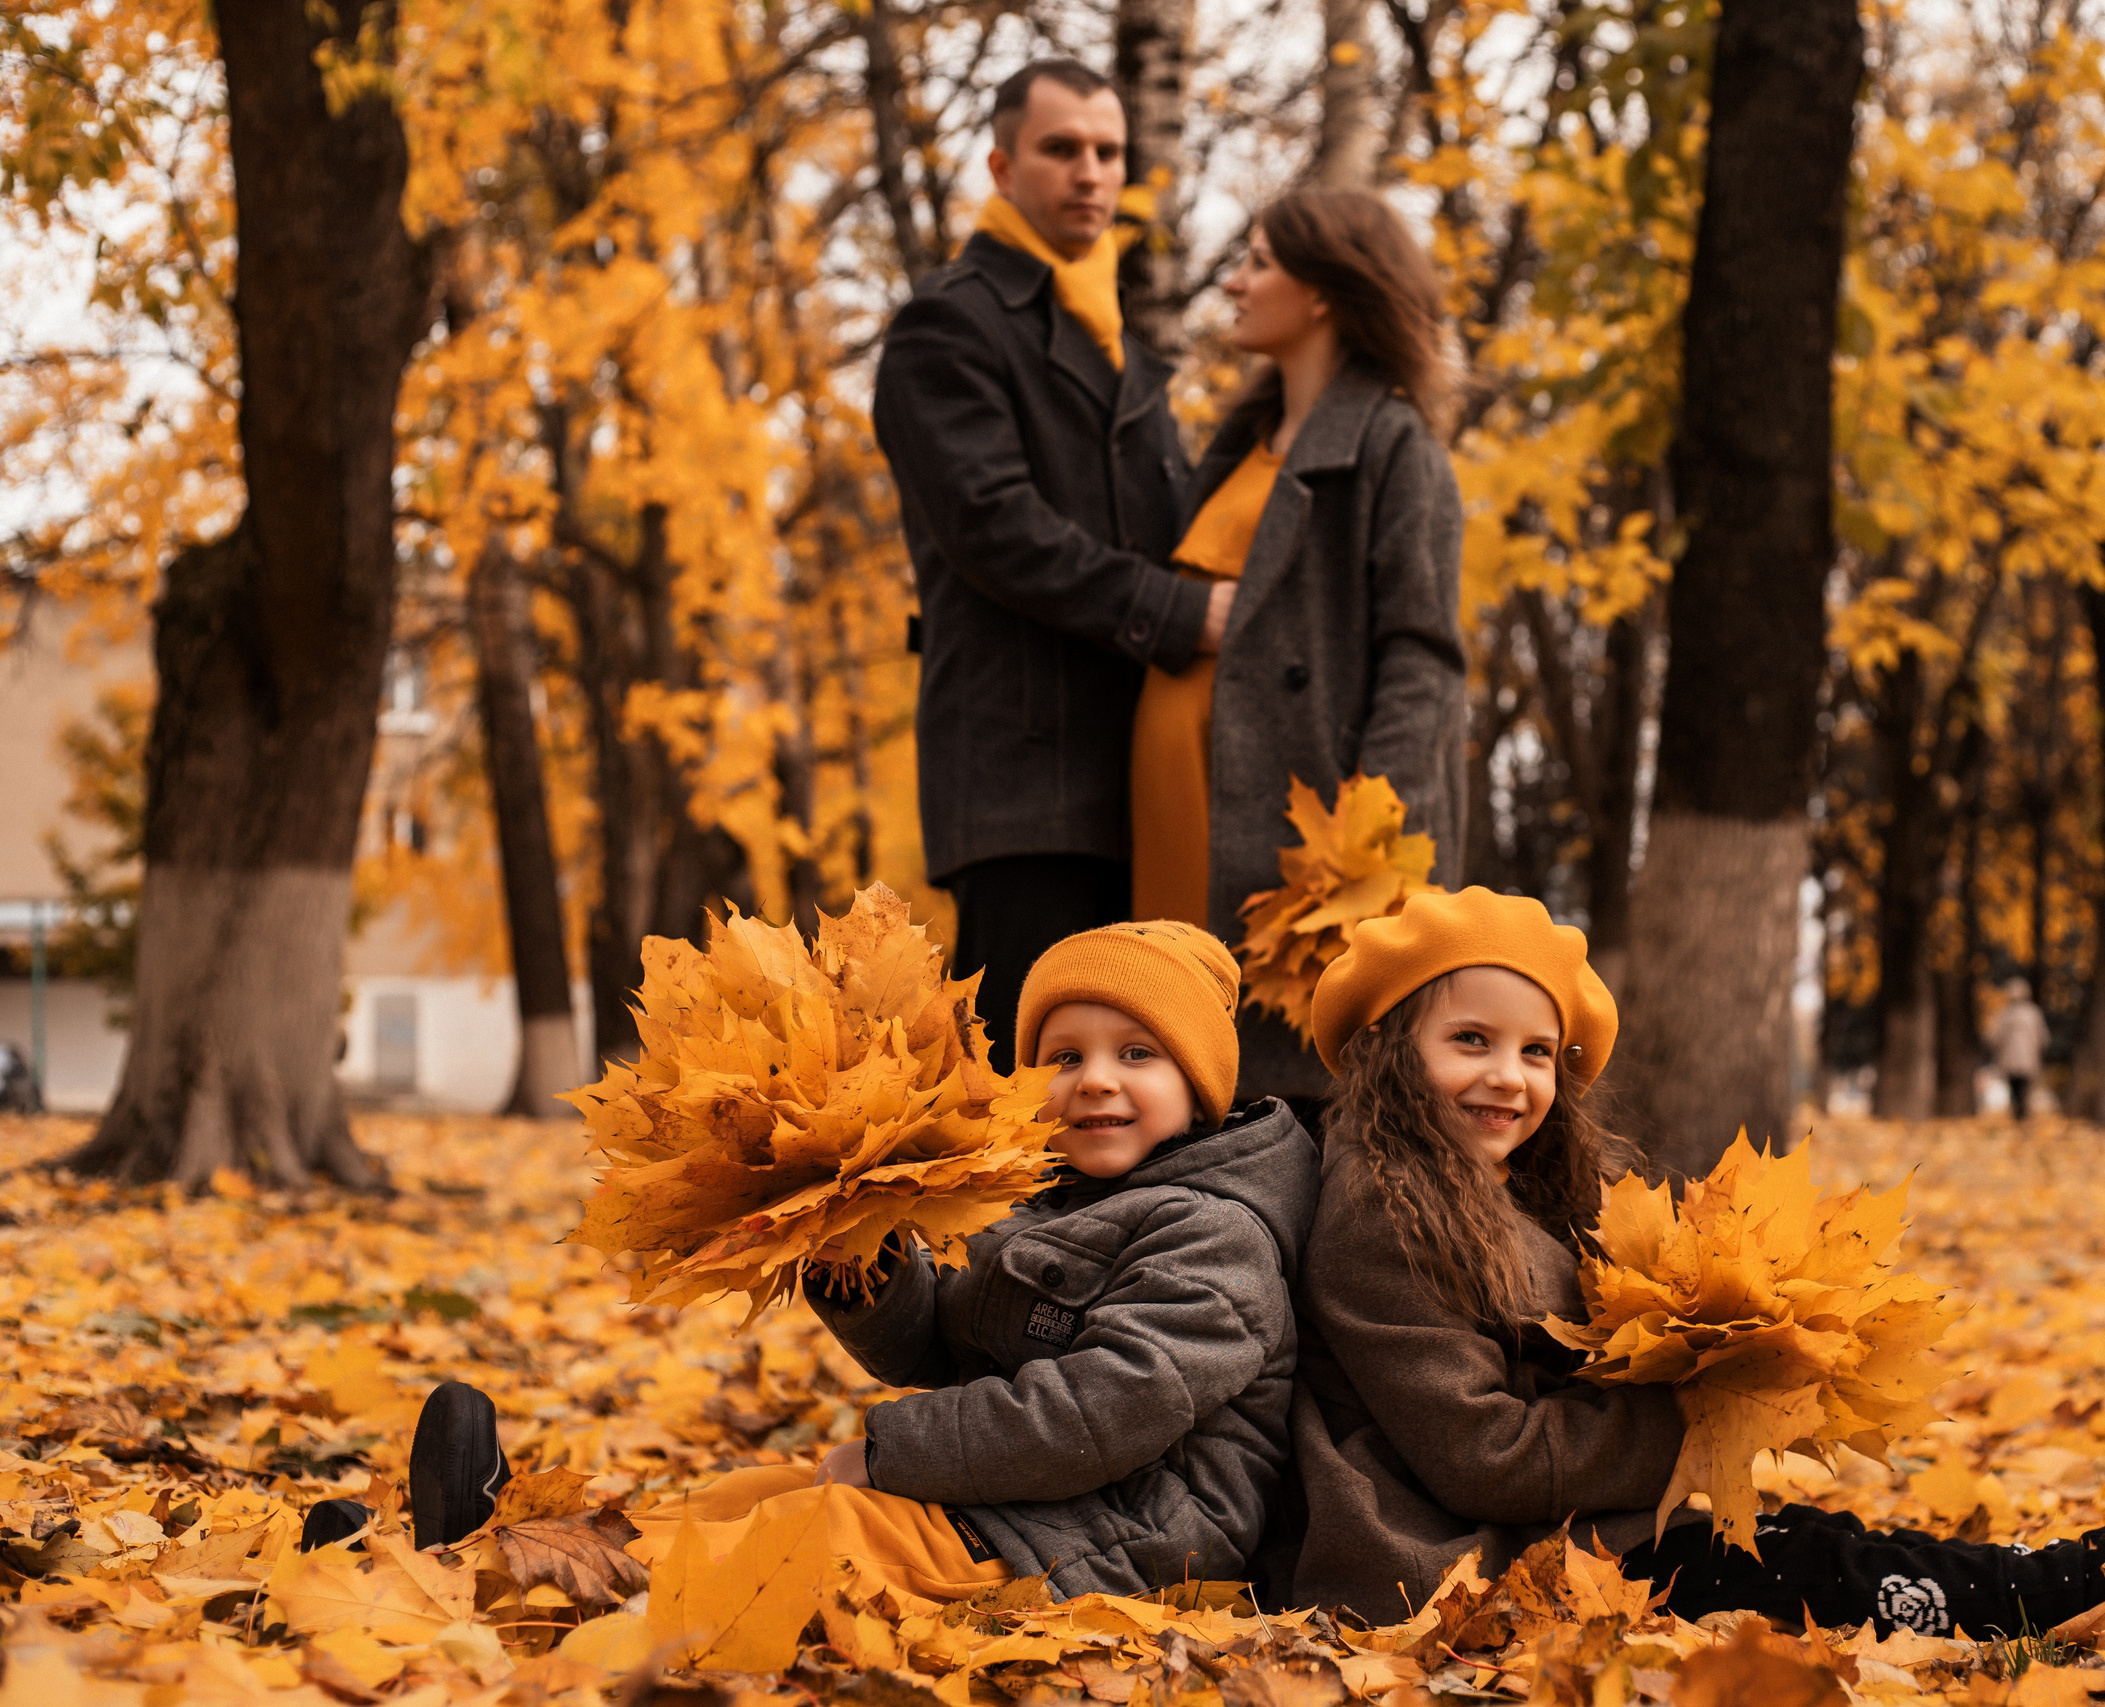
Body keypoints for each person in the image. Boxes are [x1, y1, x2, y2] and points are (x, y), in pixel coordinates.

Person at [1283, 886, 2105, 1631]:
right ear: (1388, 1052)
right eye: (1470, 1041)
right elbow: (1479, 1457)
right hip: (1468, 1569)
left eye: (1536, 1053)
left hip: (1578, 1527)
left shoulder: (1498, 1197)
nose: (1508, 1077)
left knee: (1835, 1549)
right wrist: (1691, 1417)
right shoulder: (1386, 1215)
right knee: (1813, 1573)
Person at [322, 923, 1320, 1602]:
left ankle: (481, 1582)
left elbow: (1104, 1410)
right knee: (743, 1497)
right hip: (1006, 1498)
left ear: (1201, 1087)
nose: (1096, 1082)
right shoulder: (1048, 1199)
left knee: (798, 1538)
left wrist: (891, 1455)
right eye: (1065, 1057)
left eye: (1137, 1056)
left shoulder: (1214, 1234)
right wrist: (863, 1262)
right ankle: (473, 1543)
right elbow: (935, 1340)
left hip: (1112, 1539)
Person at [873, 60, 1219, 1068]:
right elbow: (993, 526)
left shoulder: (1124, 352)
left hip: (1140, 783)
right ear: (1000, 163)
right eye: (1061, 148)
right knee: (1022, 1108)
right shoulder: (949, 325)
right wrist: (1181, 613)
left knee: (1126, 1110)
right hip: (1025, 781)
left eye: (1108, 151)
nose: (1090, 173)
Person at [1130, 188, 1465, 1116]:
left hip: (1294, 836)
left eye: (1260, 262)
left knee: (1286, 1097)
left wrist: (1367, 838)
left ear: (1323, 292)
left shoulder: (1396, 450)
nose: (1233, 281)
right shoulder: (1239, 445)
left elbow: (1423, 657)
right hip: (1180, 817)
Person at [1987, 978, 2049, 1122]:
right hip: (2029, 1059)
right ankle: (2024, 1115)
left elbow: (1995, 1037)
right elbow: (2044, 1038)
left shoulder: (2005, 1014)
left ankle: (2017, 1115)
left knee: (2014, 1089)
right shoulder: (2034, 1013)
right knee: (2025, 1089)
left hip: (2010, 1060)